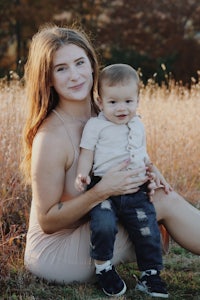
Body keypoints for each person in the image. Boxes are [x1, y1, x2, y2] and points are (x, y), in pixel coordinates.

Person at [21, 23, 200, 298]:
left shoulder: (106, 111)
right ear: (48, 79)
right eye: (61, 68)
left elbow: (127, 153)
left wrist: (152, 172)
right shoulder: (51, 137)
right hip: (55, 252)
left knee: (160, 193)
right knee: (163, 201)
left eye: (80, 62)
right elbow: (48, 221)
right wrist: (104, 190)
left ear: (92, 65)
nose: (75, 76)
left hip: (92, 222)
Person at [74, 63, 169, 297]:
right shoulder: (96, 125)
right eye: (113, 102)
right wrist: (82, 174)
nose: (121, 108)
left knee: (148, 228)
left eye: (128, 101)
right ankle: (103, 268)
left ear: (137, 99)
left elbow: (142, 155)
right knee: (103, 225)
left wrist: (156, 173)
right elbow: (87, 153)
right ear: (100, 101)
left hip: (135, 191)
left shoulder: (138, 124)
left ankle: (150, 274)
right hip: (103, 188)